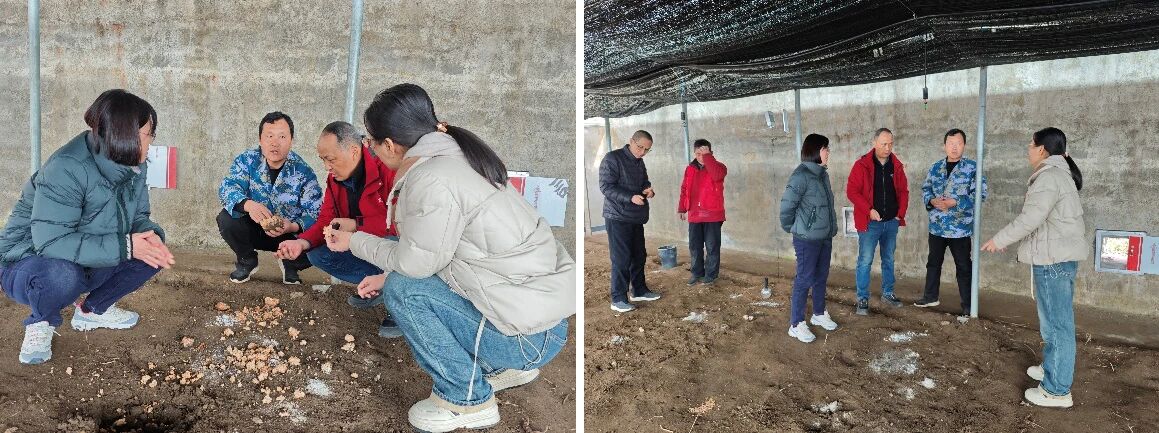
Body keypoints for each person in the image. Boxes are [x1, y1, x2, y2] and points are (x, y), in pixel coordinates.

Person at [323, 83, 574, 432]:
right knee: (399, 279)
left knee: (403, 289)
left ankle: (466, 399)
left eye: (371, 141)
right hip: (541, 319)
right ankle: (502, 368)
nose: (371, 149)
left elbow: (415, 265)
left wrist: (354, 241)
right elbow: (445, 251)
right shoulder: (458, 157)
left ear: (389, 145)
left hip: (527, 335)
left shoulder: (430, 177)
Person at [0, 89, 175, 365]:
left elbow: (139, 216)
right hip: (29, 262)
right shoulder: (67, 168)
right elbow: (52, 243)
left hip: (85, 252)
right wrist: (126, 245)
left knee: (153, 249)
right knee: (62, 277)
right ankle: (41, 320)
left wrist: (148, 236)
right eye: (148, 134)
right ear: (123, 134)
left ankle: (91, 311)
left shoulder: (134, 167)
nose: (151, 142)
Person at [982, 127, 1086, 408]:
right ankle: (1052, 368)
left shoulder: (1049, 176)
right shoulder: (1058, 174)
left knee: (1058, 325)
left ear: (1042, 149)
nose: (1028, 149)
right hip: (1057, 259)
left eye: (1030, 145)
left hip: (1053, 262)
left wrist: (999, 239)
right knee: (1052, 322)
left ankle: (1057, 391)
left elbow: (1031, 219)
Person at [273, 121, 399, 337]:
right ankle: (376, 287)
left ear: (353, 151)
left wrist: (356, 225)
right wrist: (301, 242)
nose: (327, 167)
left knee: (394, 242)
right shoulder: (335, 178)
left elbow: (400, 223)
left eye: (330, 160)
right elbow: (326, 219)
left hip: (393, 242)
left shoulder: (387, 169)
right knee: (318, 254)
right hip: (360, 241)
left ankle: (400, 304)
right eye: (323, 160)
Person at [218, 112, 321, 284]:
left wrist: (292, 226)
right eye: (269, 136)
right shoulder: (247, 160)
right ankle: (247, 260)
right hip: (255, 230)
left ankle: (292, 263)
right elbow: (227, 188)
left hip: (289, 236)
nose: (275, 143)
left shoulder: (303, 171)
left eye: (282, 136)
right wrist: (248, 205)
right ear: (260, 140)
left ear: (291, 140)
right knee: (226, 218)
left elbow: (316, 211)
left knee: (325, 236)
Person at [915, 128, 988, 315]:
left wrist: (955, 202)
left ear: (964, 145)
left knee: (964, 267)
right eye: (951, 144)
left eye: (958, 144)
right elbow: (926, 189)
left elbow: (980, 194)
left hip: (959, 229)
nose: (954, 148)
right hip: (937, 227)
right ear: (944, 146)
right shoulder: (935, 167)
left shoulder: (973, 168)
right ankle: (930, 297)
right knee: (933, 263)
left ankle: (969, 305)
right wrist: (931, 201)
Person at [779, 134, 839, 343]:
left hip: (824, 236)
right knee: (804, 279)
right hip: (807, 238)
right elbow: (787, 207)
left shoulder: (822, 174)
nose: (828, 152)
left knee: (821, 276)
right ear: (815, 151)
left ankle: (819, 313)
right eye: (825, 148)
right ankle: (796, 324)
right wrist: (794, 228)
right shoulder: (800, 176)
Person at [847, 127, 909, 315]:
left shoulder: (896, 165)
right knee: (865, 260)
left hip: (891, 222)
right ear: (874, 143)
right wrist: (868, 210)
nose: (888, 147)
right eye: (884, 144)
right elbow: (852, 191)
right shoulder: (862, 165)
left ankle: (888, 293)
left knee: (888, 259)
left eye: (890, 143)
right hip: (870, 223)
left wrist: (900, 213)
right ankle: (862, 298)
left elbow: (904, 191)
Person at [599, 130, 661, 312]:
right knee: (621, 258)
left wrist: (648, 190)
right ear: (631, 141)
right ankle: (618, 298)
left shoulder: (639, 162)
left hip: (635, 216)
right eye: (640, 147)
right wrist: (629, 197)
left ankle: (639, 290)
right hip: (617, 216)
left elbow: (643, 182)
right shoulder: (612, 158)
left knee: (639, 255)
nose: (642, 152)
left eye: (646, 150)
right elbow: (606, 186)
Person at [678, 138, 727, 286]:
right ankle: (696, 272)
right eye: (698, 153)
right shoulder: (690, 169)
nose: (701, 156)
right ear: (694, 153)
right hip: (694, 214)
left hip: (712, 214)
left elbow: (717, 176)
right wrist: (682, 207)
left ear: (711, 153)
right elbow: (684, 188)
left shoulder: (719, 167)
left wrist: (708, 158)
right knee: (695, 246)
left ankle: (711, 274)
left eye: (704, 153)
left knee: (712, 246)